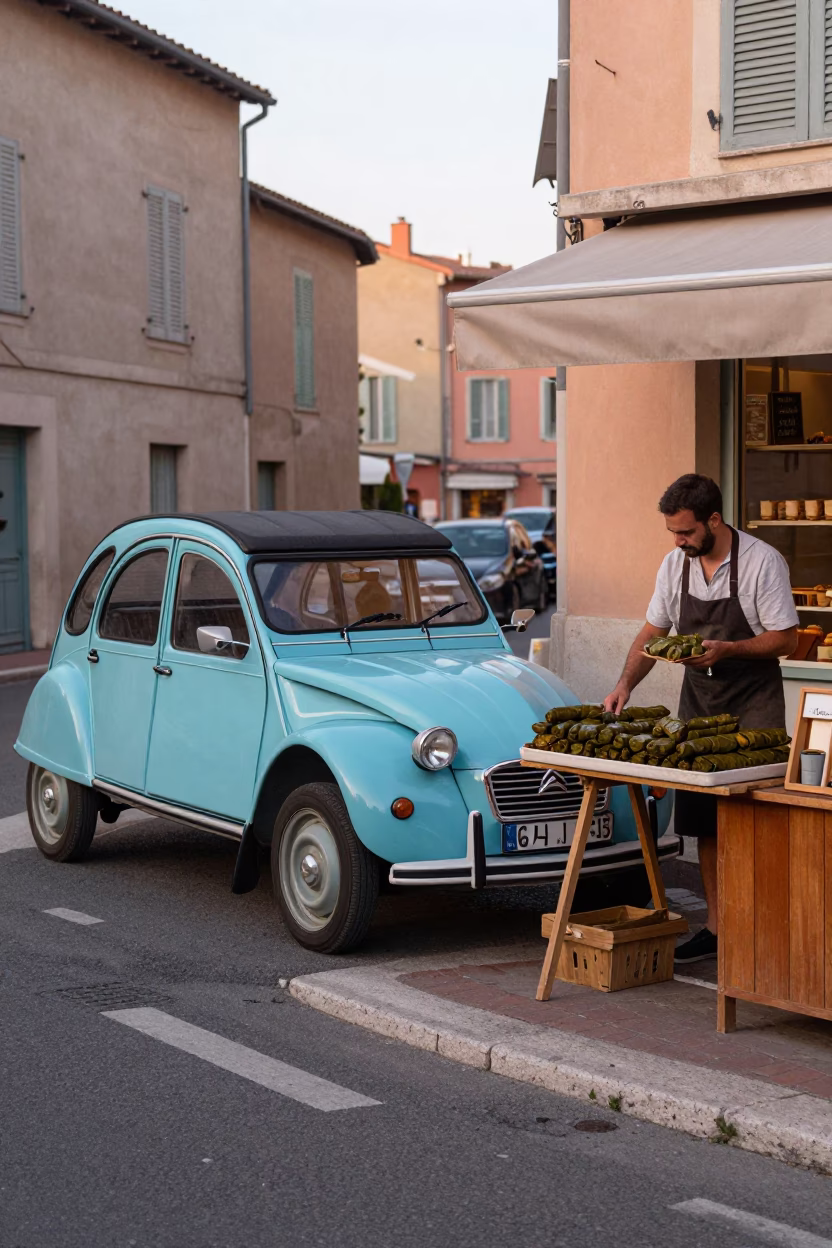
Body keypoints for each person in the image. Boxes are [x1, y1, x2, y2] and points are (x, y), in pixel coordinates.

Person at [604, 474, 798, 964]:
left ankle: (765, 927)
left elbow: (785, 639)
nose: (678, 541)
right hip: (699, 703)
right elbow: (653, 631)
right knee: (704, 823)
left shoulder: (761, 561)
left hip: (754, 706)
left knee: (758, 820)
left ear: (714, 520)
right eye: (672, 532)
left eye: (686, 532)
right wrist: (626, 684)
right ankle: (716, 927)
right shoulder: (676, 565)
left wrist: (729, 648)